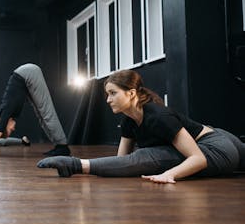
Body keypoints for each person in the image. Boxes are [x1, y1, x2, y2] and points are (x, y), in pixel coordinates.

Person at [38, 69, 245, 183]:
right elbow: (123, 162)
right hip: (223, 139)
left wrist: (169, 174)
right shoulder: (129, 119)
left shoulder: (157, 116)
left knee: (150, 156)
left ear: (131, 93)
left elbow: (197, 159)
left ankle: (75, 165)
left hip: (217, 148)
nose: (108, 100)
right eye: (106, 94)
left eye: (113, 93)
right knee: (144, 157)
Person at [0, 63, 70, 157]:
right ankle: (58, 146)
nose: (13, 129)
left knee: (46, 112)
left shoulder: (6, 114)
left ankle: (63, 147)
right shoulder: (2, 117)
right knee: (41, 115)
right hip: (25, 77)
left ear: (5, 125)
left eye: (9, 130)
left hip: (29, 73)